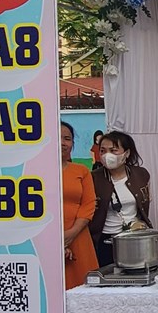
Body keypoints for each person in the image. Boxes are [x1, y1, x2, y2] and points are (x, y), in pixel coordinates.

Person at [90, 130, 153, 267]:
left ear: (127, 153)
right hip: (106, 239)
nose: (107, 155)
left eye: (113, 150)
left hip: (134, 237)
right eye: (103, 151)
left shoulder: (141, 174)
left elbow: (146, 201)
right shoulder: (93, 177)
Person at [60, 122, 98, 289]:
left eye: (67, 139)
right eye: (57, 138)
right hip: (45, 237)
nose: (62, 143)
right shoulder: (35, 172)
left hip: (78, 235)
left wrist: (71, 233)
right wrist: (58, 240)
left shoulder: (81, 171)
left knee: (84, 289)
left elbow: (89, 204)